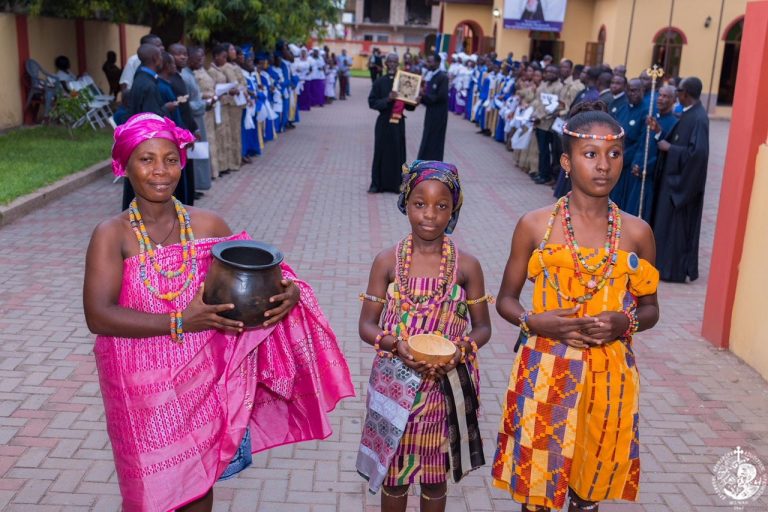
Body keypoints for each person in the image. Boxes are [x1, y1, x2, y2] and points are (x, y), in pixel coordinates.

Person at [84, 113, 354, 512]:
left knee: (198, 484)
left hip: (202, 381)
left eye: (171, 159)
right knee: (145, 491)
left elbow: (252, 284)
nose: (161, 171)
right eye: (147, 159)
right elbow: (98, 315)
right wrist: (179, 321)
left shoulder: (208, 224)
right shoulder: (113, 234)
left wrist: (289, 295)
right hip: (138, 389)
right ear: (125, 165)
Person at [492, 101, 660, 512]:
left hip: (610, 377)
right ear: (566, 161)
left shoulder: (637, 233)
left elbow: (651, 309)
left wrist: (626, 321)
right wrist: (534, 322)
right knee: (538, 492)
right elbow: (505, 300)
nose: (603, 165)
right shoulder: (535, 225)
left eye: (614, 154)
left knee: (589, 493)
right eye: (590, 154)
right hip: (545, 370)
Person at [356, 160, 491, 511]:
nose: (430, 214)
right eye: (420, 203)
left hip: (445, 389)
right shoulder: (387, 262)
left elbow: (483, 327)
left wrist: (459, 351)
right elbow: (366, 325)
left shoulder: (467, 266)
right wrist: (396, 346)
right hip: (396, 386)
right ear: (405, 203)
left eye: (441, 205)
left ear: (454, 210)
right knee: (395, 478)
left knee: (435, 479)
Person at [651, 77, 709, 283]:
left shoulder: (699, 118)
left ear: (685, 94)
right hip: (672, 180)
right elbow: (677, 139)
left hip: (681, 185)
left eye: (679, 92)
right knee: (666, 227)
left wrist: (670, 149)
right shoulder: (688, 115)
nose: (677, 96)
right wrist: (660, 134)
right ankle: (662, 267)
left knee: (675, 229)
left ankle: (672, 270)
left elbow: (698, 154)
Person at [122, 43, 178, 211]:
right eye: (160, 56)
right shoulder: (147, 84)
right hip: (145, 141)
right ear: (155, 59)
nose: (162, 59)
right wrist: (165, 109)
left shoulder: (142, 79)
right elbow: (151, 117)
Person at [625, 85, 678, 220]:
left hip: (651, 178)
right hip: (636, 172)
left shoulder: (675, 123)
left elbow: (663, 154)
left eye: (665, 96)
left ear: (673, 100)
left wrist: (645, 168)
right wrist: (636, 163)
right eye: (659, 95)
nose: (660, 99)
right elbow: (641, 143)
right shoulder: (651, 118)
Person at [368, 53, 416, 194]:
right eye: (390, 61)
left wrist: (415, 101)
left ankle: (397, 185)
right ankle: (376, 184)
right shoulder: (379, 82)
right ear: (386, 64)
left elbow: (410, 107)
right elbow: (372, 102)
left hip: (398, 122)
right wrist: (387, 99)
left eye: (395, 62)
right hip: (383, 121)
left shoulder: (405, 81)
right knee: (380, 152)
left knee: (398, 152)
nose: (393, 64)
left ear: (398, 64)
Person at [158, 51, 195, 206]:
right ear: (167, 66)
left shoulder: (168, 83)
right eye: (172, 63)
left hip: (180, 134)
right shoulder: (162, 87)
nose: (175, 66)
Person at [176, 44, 214, 193]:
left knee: (198, 152)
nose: (201, 61)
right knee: (194, 153)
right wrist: (203, 104)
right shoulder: (184, 76)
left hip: (198, 116)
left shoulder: (191, 74)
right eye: (198, 59)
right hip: (191, 118)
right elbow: (185, 103)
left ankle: (197, 184)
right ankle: (195, 185)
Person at [610, 78, 648, 209]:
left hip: (629, 161)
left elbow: (642, 142)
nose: (633, 94)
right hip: (615, 158)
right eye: (630, 91)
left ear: (643, 90)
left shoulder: (646, 112)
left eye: (636, 91)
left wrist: (625, 158)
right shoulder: (622, 109)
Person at [208, 43, 241, 174]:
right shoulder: (211, 71)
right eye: (223, 57)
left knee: (226, 135)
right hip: (218, 105)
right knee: (220, 135)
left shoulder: (223, 68)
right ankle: (220, 166)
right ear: (216, 57)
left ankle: (227, 164)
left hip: (225, 104)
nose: (225, 60)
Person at [190, 47, 220, 180]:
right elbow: (194, 94)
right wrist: (207, 96)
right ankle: (204, 175)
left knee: (211, 141)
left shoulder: (203, 71)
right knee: (202, 142)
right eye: (199, 57)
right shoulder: (191, 74)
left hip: (210, 109)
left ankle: (212, 172)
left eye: (203, 56)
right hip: (200, 110)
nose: (202, 59)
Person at [530, 64, 563, 185]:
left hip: (548, 122)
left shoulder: (559, 87)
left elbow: (554, 106)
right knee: (541, 149)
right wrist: (534, 115)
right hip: (538, 120)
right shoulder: (544, 84)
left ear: (557, 74)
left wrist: (540, 116)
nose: (548, 74)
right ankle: (541, 172)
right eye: (547, 71)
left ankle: (546, 175)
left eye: (552, 72)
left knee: (546, 150)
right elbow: (539, 101)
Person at [417, 54, 450, 161]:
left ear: (438, 63)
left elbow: (441, 97)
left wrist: (423, 96)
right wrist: (420, 98)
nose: (428, 64)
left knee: (436, 138)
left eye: (430, 62)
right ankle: (425, 159)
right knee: (428, 136)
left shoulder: (443, 77)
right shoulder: (431, 75)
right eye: (428, 61)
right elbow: (429, 95)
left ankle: (435, 161)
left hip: (439, 114)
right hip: (431, 112)